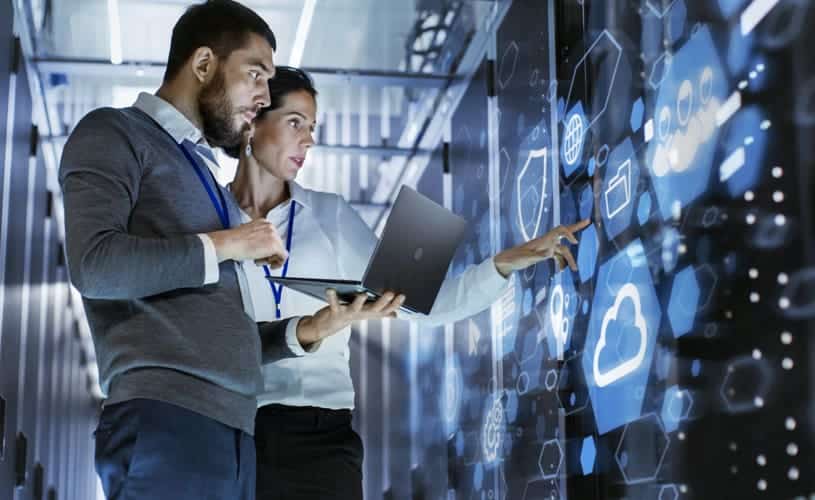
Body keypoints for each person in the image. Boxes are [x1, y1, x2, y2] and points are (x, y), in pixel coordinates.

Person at [59, 4, 401, 500]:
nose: (263, 95)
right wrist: (229, 243)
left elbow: (223, 332)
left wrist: (312, 330)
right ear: (203, 65)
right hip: (167, 421)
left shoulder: (207, 184)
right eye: (255, 74)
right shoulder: (114, 132)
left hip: (234, 434)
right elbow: (95, 265)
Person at [225, 66, 589, 499]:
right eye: (295, 123)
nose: (309, 140)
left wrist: (505, 263)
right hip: (236, 431)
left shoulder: (330, 215)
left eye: (313, 127)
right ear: (253, 122)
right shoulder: (210, 220)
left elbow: (426, 306)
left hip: (323, 435)